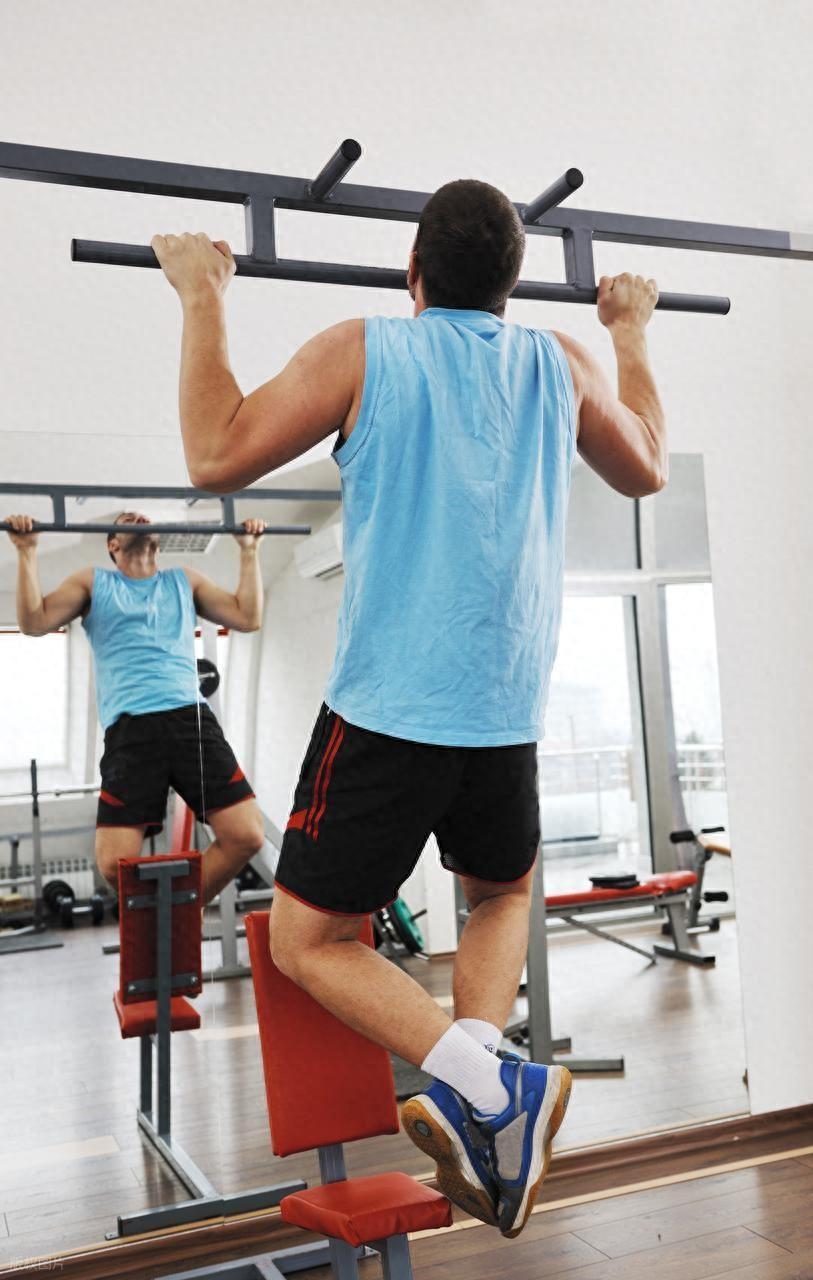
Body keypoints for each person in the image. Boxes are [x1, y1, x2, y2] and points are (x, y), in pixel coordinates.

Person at [148, 178, 666, 1237]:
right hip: (507, 708)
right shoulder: (560, 363)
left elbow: (215, 454)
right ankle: (489, 1100)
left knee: (306, 940)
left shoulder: (366, 348)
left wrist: (202, 294)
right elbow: (647, 466)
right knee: (499, 893)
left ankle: (486, 1083)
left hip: (390, 708)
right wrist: (629, 331)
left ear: (412, 272)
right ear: (511, 285)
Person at [5, 510, 267, 903]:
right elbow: (34, 622)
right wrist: (26, 551)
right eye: (127, 518)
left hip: (190, 719)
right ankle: (167, 916)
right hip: (131, 729)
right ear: (112, 544)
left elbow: (247, 616)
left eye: (144, 517)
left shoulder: (184, 580)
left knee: (246, 834)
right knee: (113, 864)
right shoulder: (94, 582)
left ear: (157, 541)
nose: (139, 517)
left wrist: (249, 551)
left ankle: (178, 912)